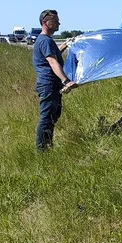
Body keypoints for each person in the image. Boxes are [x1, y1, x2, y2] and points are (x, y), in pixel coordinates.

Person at [32, 9, 76, 150]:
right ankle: (42, 151)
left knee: (53, 116)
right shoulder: (45, 40)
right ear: (45, 22)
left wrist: (65, 45)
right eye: (55, 21)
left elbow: (53, 55)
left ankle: (47, 145)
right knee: (47, 118)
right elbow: (52, 62)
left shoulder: (46, 40)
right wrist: (65, 80)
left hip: (50, 84)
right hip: (48, 84)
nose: (59, 23)